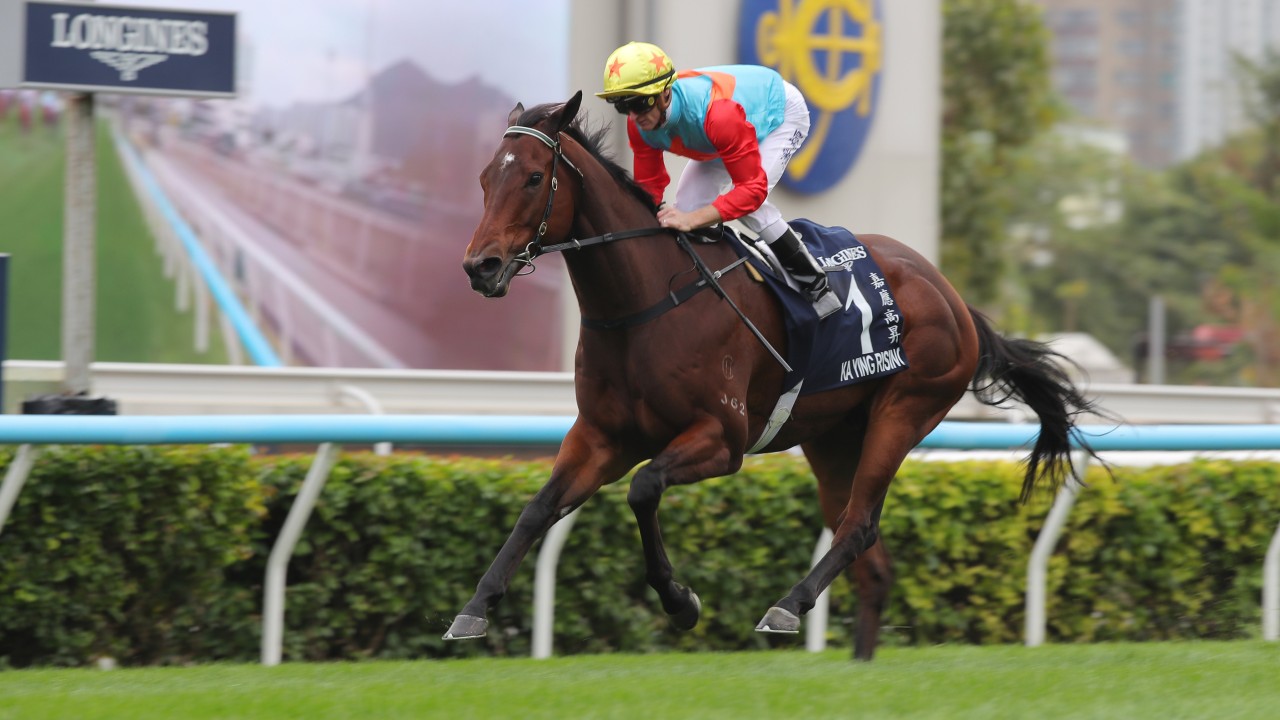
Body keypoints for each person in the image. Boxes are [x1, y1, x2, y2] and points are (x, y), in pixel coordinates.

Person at [595, 41, 841, 319]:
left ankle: (818, 288)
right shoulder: (639, 124)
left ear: (665, 93)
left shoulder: (718, 115)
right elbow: (649, 188)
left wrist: (696, 218)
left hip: (779, 115)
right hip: (719, 135)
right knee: (685, 208)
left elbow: (752, 191)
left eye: (639, 103)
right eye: (623, 106)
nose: (634, 116)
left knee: (751, 208)